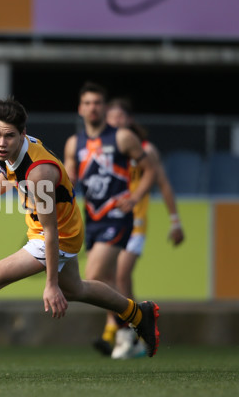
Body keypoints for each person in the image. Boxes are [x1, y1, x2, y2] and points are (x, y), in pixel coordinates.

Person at [0, 97, 160, 373]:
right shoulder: (7, 150)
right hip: (54, 230)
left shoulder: (39, 173)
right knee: (77, 289)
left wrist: (50, 283)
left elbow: (51, 232)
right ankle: (138, 313)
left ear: (23, 134)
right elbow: (6, 176)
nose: (1, 142)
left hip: (57, 236)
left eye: (9, 136)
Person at [62, 82, 158, 358]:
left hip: (117, 217)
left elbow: (150, 170)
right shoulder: (74, 143)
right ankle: (131, 328)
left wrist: (135, 196)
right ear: (80, 108)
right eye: (88, 103)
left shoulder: (123, 137)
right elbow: (70, 181)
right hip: (92, 219)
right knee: (104, 279)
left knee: (92, 277)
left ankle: (132, 324)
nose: (93, 108)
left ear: (104, 108)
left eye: (97, 103)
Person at [104, 97, 184, 359]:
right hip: (109, 223)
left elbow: (163, 185)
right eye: (111, 117)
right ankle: (128, 330)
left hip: (135, 223)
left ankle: (129, 332)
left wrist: (175, 221)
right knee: (107, 278)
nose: (116, 121)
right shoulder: (103, 150)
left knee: (122, 276)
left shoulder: (146, 150)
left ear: (130, 120)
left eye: (120, 117)